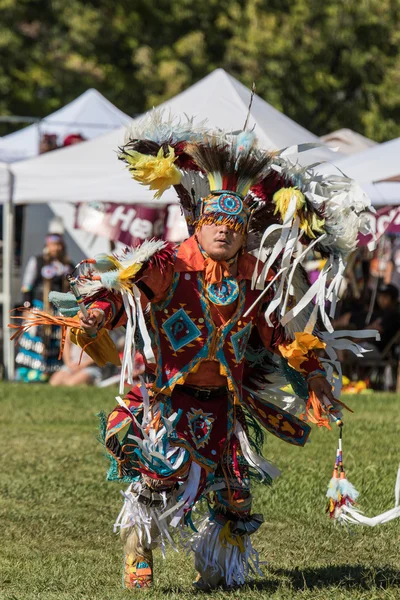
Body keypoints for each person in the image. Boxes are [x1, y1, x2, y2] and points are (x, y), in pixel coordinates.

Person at [34, 112, 372, 590]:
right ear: (198, 221)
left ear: (244, 230)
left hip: (224, 408)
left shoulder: (256, 277)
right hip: (168, 401)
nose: (223, 231)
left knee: (235, 501)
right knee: (156, 481)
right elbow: (122, 287)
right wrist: (97, 314)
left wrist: (314, 378)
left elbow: (284, 335)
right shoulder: (168, 263)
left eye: (233, 225)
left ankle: (217, 570)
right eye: (214, 221)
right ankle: (139, 559)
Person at [16, 234, 74, 382]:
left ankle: (50, 373)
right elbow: (27, 285)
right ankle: (29, 373)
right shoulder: (37, 261)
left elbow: (73, 289)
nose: (55, 248)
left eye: (58, 245)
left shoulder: (68, 265)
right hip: (39, 308)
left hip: (58, 311)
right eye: (52, 245)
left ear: (62, 246)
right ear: (47, 246)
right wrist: (28, 308)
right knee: (35, 338)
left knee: (55, 341)